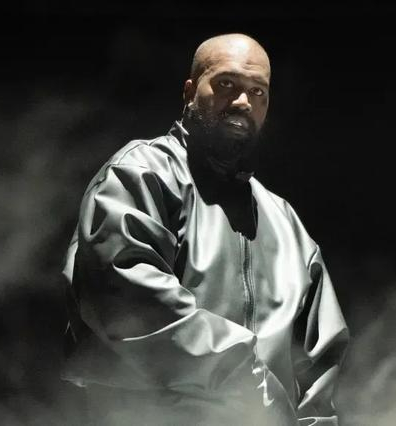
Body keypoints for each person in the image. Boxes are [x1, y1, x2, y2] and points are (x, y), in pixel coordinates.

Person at [61, 33, 349, 426]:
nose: (243, 101)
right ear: (189, 92)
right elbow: (128, 305)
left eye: (258, 91)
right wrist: (248, 380)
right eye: (226, 83)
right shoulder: (142, 175)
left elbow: (319, 362)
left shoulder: (286, 224)